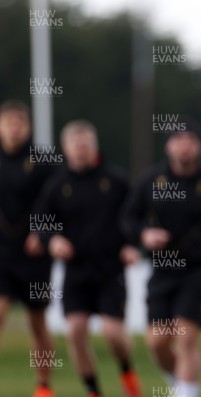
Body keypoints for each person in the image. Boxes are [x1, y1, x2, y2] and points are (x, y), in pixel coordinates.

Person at [120, 127, 201, 397]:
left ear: (197, 147)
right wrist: (143, 235)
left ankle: (186, 391)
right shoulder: (152, 179)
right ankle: (182, 384)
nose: (184, 147)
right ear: (168, 147)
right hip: (162, 270)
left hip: (199, 272)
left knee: (186, 338)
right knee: (157, 341)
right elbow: (128, 217)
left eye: (190, 141)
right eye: (178, 141)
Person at [37, 120, 141, 397]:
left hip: (110, 269)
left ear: (94, 146)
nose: (82, 151)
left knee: (112, 334)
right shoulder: (58, 185)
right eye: (76, 146)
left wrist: (132, 245)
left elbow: (135, 217)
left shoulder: (115, 180)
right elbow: (42, 222)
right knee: (75, 331)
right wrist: (53, 240)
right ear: (66, 148)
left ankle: (127, 371)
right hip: (76, 271)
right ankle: (93, 390)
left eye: (86, 145)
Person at [0, 100, 56, 397]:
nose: (13, 128)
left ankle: (43, 385)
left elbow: (56, 202)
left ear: (28, 127)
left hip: (33, 254)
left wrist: (43, 231)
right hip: (2, 253)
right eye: (8, 122)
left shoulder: (42, 160)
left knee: (37, 322)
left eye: (19, 123)